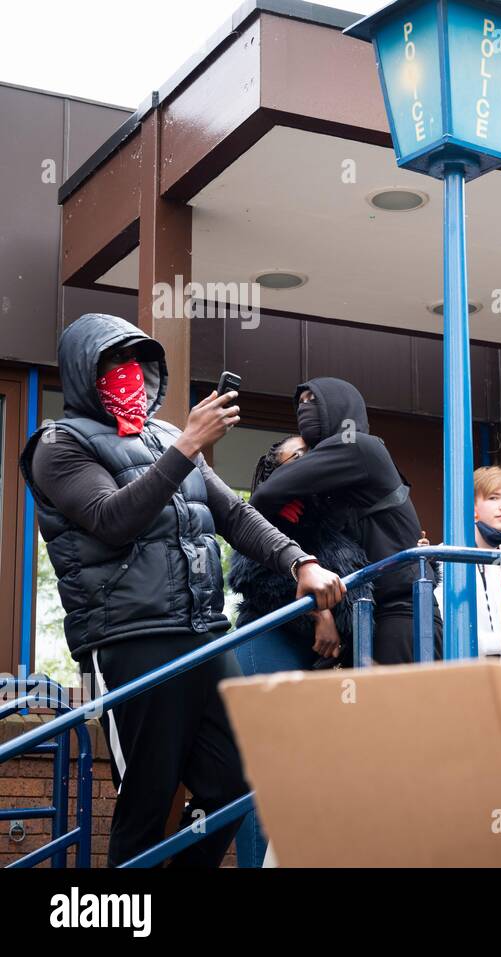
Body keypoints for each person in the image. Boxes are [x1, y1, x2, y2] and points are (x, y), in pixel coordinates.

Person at [19, 313, 344, 867]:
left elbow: (234, 515)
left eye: (141, 364)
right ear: (82, 372)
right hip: (130, 636)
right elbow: (111, 519)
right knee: (148, 797)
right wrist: (188, 445)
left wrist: (300, 562)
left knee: (237, 782)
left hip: (204, 633)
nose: (131, 376)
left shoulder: (167, 436)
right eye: (113, 365)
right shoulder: (57, 445)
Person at [230, 434, 374, 867]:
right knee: (263, 777)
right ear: (274, 471)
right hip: (269, 644)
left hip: (323, 665)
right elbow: (251, 576)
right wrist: (318, 614)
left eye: (311, 455)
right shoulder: (270, 513)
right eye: (295, 457)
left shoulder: (337, 517)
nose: (307, 462)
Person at [249, 377, 438, 664]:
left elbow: (266, 494)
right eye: (300, 403)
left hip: (404, 614)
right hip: (369, 619)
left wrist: (278, 503)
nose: (304, 409)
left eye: (313, 401)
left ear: (339, 406)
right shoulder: (332, 489)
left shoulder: (358, 446)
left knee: (405, 707)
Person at [433, 465, 501, 656]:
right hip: (467, 673)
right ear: (472, 507)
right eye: (493, 497)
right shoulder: (445, 557)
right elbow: (446, 630)